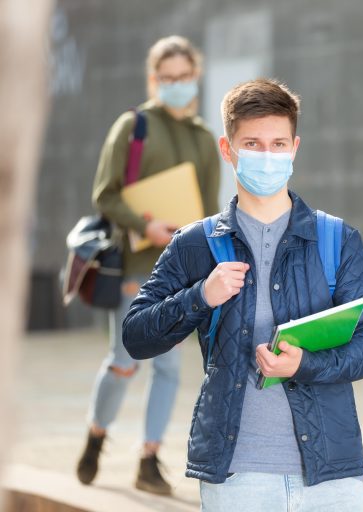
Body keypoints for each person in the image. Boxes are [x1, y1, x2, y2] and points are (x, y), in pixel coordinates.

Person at [122, 78, 363, 511]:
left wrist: (305, 364)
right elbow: (135, 337)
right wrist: (200, 296)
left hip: (330, 477)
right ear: (227, 149)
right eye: (252, 143)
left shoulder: (336, 238)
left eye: (277, 144)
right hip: (236, 477)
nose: (266, 157)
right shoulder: (195, 243)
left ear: (295, 148)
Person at [76, 35, 221, 495]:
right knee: (123, 361)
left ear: (195, 76)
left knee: (170, 369)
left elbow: (208, 209)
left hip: (184, 273)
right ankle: (97, 434)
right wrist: (146, 224)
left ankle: (149, 459)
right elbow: (105, 194)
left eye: (184, 76)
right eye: (167, 78)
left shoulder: (202, 135)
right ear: (154, 78)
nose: (176, 85)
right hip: (137, 264)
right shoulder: (133, 126)